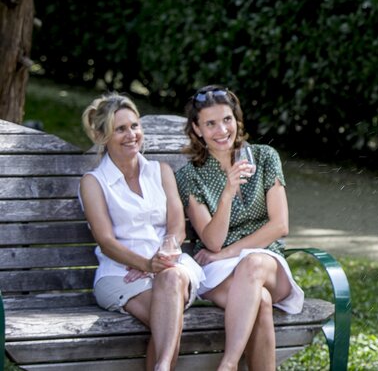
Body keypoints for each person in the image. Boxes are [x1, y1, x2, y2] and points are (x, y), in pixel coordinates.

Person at [175, 86, 304, 371]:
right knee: (260, 302)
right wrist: (227, 193)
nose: (222, 130)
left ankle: (228, 364)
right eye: (210, 124)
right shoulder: (189, 176)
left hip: (266, 261)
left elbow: (280, 225)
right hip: (218, 270)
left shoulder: (265, 157)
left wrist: (229, 252)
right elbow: (212, 242)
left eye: (227, 120)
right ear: (197, 129)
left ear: (237, 120)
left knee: (252, 263)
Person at [79, 93, 205, 371]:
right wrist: (146, 265)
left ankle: (162, 367)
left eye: (134, 126)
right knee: (168, 322)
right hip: (120, 275)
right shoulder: (94, 183)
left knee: (171, 281)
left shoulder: (160, 171)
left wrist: (162, 258)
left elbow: (176, 226)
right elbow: (106, 241)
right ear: (103, 136)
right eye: (120, 129)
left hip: (168, 264)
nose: (131, 135)